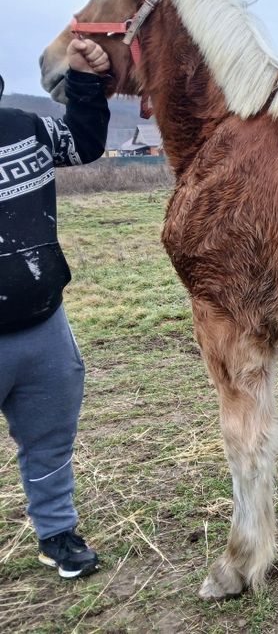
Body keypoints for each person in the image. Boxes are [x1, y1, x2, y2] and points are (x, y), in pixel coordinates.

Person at [0, 38, 111, 579]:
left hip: (43, 325)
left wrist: (85, 81)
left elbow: (84, 142)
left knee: (50, 443)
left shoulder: (26, 127)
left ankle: (57, 535)